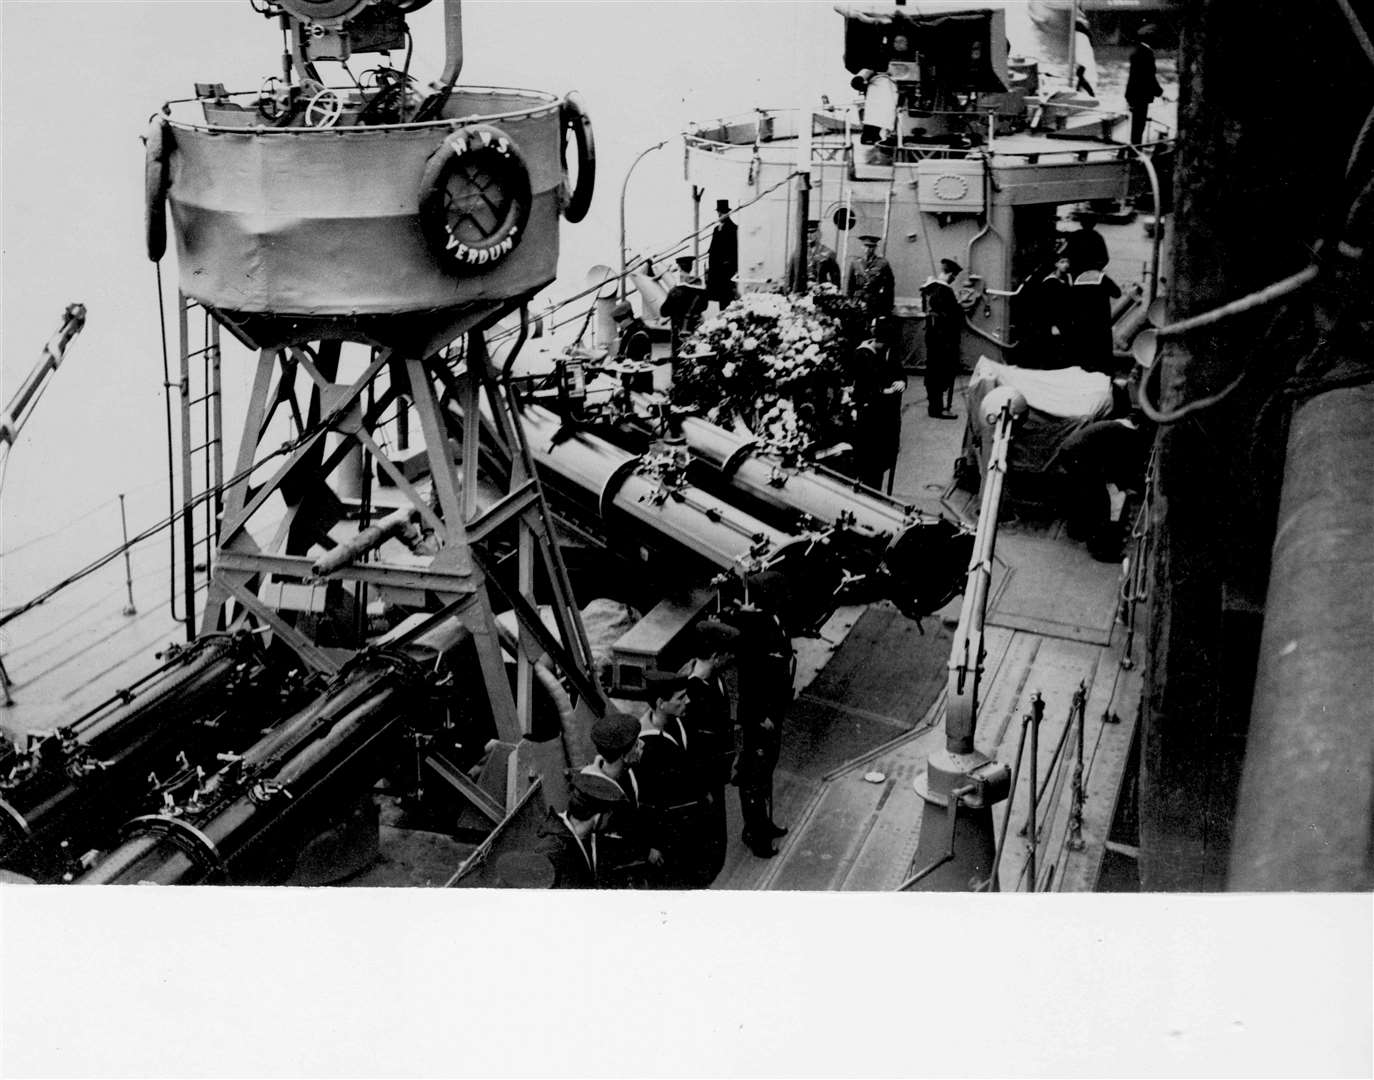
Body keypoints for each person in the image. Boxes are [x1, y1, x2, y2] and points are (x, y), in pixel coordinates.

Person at [726, 574, 794, 858]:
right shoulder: (755, 628)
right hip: (761, 716)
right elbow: (750, 681)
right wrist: (761, 716)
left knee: (764, 773)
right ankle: (756, 836)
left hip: (773, 712)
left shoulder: (771, 619)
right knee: (754, 776)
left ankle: (763, 823)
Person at [680, 618, 743, 884]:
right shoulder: (691, 694)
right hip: (704, 781)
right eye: (728, 654)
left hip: (717, 773)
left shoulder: (714, 678)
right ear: (716, 656)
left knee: (718, 836)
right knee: (709, 837)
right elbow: (694, 749)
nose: (732, 659)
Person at [636, 671, 710, 886]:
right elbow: (646, 801)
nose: (687, 701)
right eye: (680, 697)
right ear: (661, 703)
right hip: (669, 836)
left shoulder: (678, 722)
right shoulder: (644, 747)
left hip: (692, 821)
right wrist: (653, 844)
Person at [578, 709, 660, 886]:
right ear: (623, 755)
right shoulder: (596, 796)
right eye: (636, 744)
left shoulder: (629, 774)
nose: (642, 745)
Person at [531, 771, 625, 888]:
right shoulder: (551, 853)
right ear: (597, 817)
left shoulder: (586, 839)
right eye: (609, 815)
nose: (610, 820)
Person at [847, 336, 906, 490]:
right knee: (869, 464)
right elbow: (863, 386)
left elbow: (899, 371)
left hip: (885, 418)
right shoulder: (863, 355)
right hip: (870, 417)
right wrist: (883, 392)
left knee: (878, 464)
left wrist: (902, 382)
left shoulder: (888, 353)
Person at [919, 257, 964, 418]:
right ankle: (937, 409)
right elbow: (953, 316)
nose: (953, 279)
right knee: (940, 373)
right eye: (954, 276)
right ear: (950, 274)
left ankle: (934, 407)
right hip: (944, 339)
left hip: (931, 336)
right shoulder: (945, 291)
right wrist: (959, 307)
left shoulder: (929, 289)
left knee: (932, 372)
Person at [1064, 267, 1123, 374]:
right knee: (1101, 354)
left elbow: (1071, 300)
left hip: (1082, 323)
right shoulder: (1102, 278)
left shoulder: (1078, 279)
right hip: (1100, 322)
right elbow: (1117, 293)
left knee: (1085, 353)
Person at [659, 256, 709, 357]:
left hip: (679, 330)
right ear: (690, 268)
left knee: (680, 356)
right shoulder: (701, 289)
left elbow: (663, 312)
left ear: (679, 268)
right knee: (696, 353)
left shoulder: (675, 291)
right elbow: (704, 306)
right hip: (696, 327)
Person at [1126, 24, 1164, 147]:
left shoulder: (1138, 52)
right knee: (1139, 125)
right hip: (1141, 96)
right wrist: (1160, 93)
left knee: (1136, 125)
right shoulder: (1146, 54)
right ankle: (1135, 151)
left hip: (1134, 94)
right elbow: (1149, 77)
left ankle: (1134, 149)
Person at [706, 199, 739, 309]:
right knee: (717, 299)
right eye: (719, 212)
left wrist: (728, 265)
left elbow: (734, 251)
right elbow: (712, 250)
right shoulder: (716, 229)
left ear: (728, 213)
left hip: (726, 272)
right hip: (715, 272)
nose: (719, 215)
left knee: (726, 298)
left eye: (722, 212)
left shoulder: (734, 229)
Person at [807, 222, 840, 287]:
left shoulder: (827, 251)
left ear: (818, 233)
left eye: (812, 232)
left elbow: (835, 276)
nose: (809, 235)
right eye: (807, 232)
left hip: (820, 288)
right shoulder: (799, 253)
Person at [1073, 16, 1099, 97]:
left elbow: (1081, 49)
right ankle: (1079, 91)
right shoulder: (1084, 35)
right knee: (1080, 77)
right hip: (1084, 61)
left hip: (1083, 62)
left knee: (1080, 76)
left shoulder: (1080, 36)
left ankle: (1090, 93)